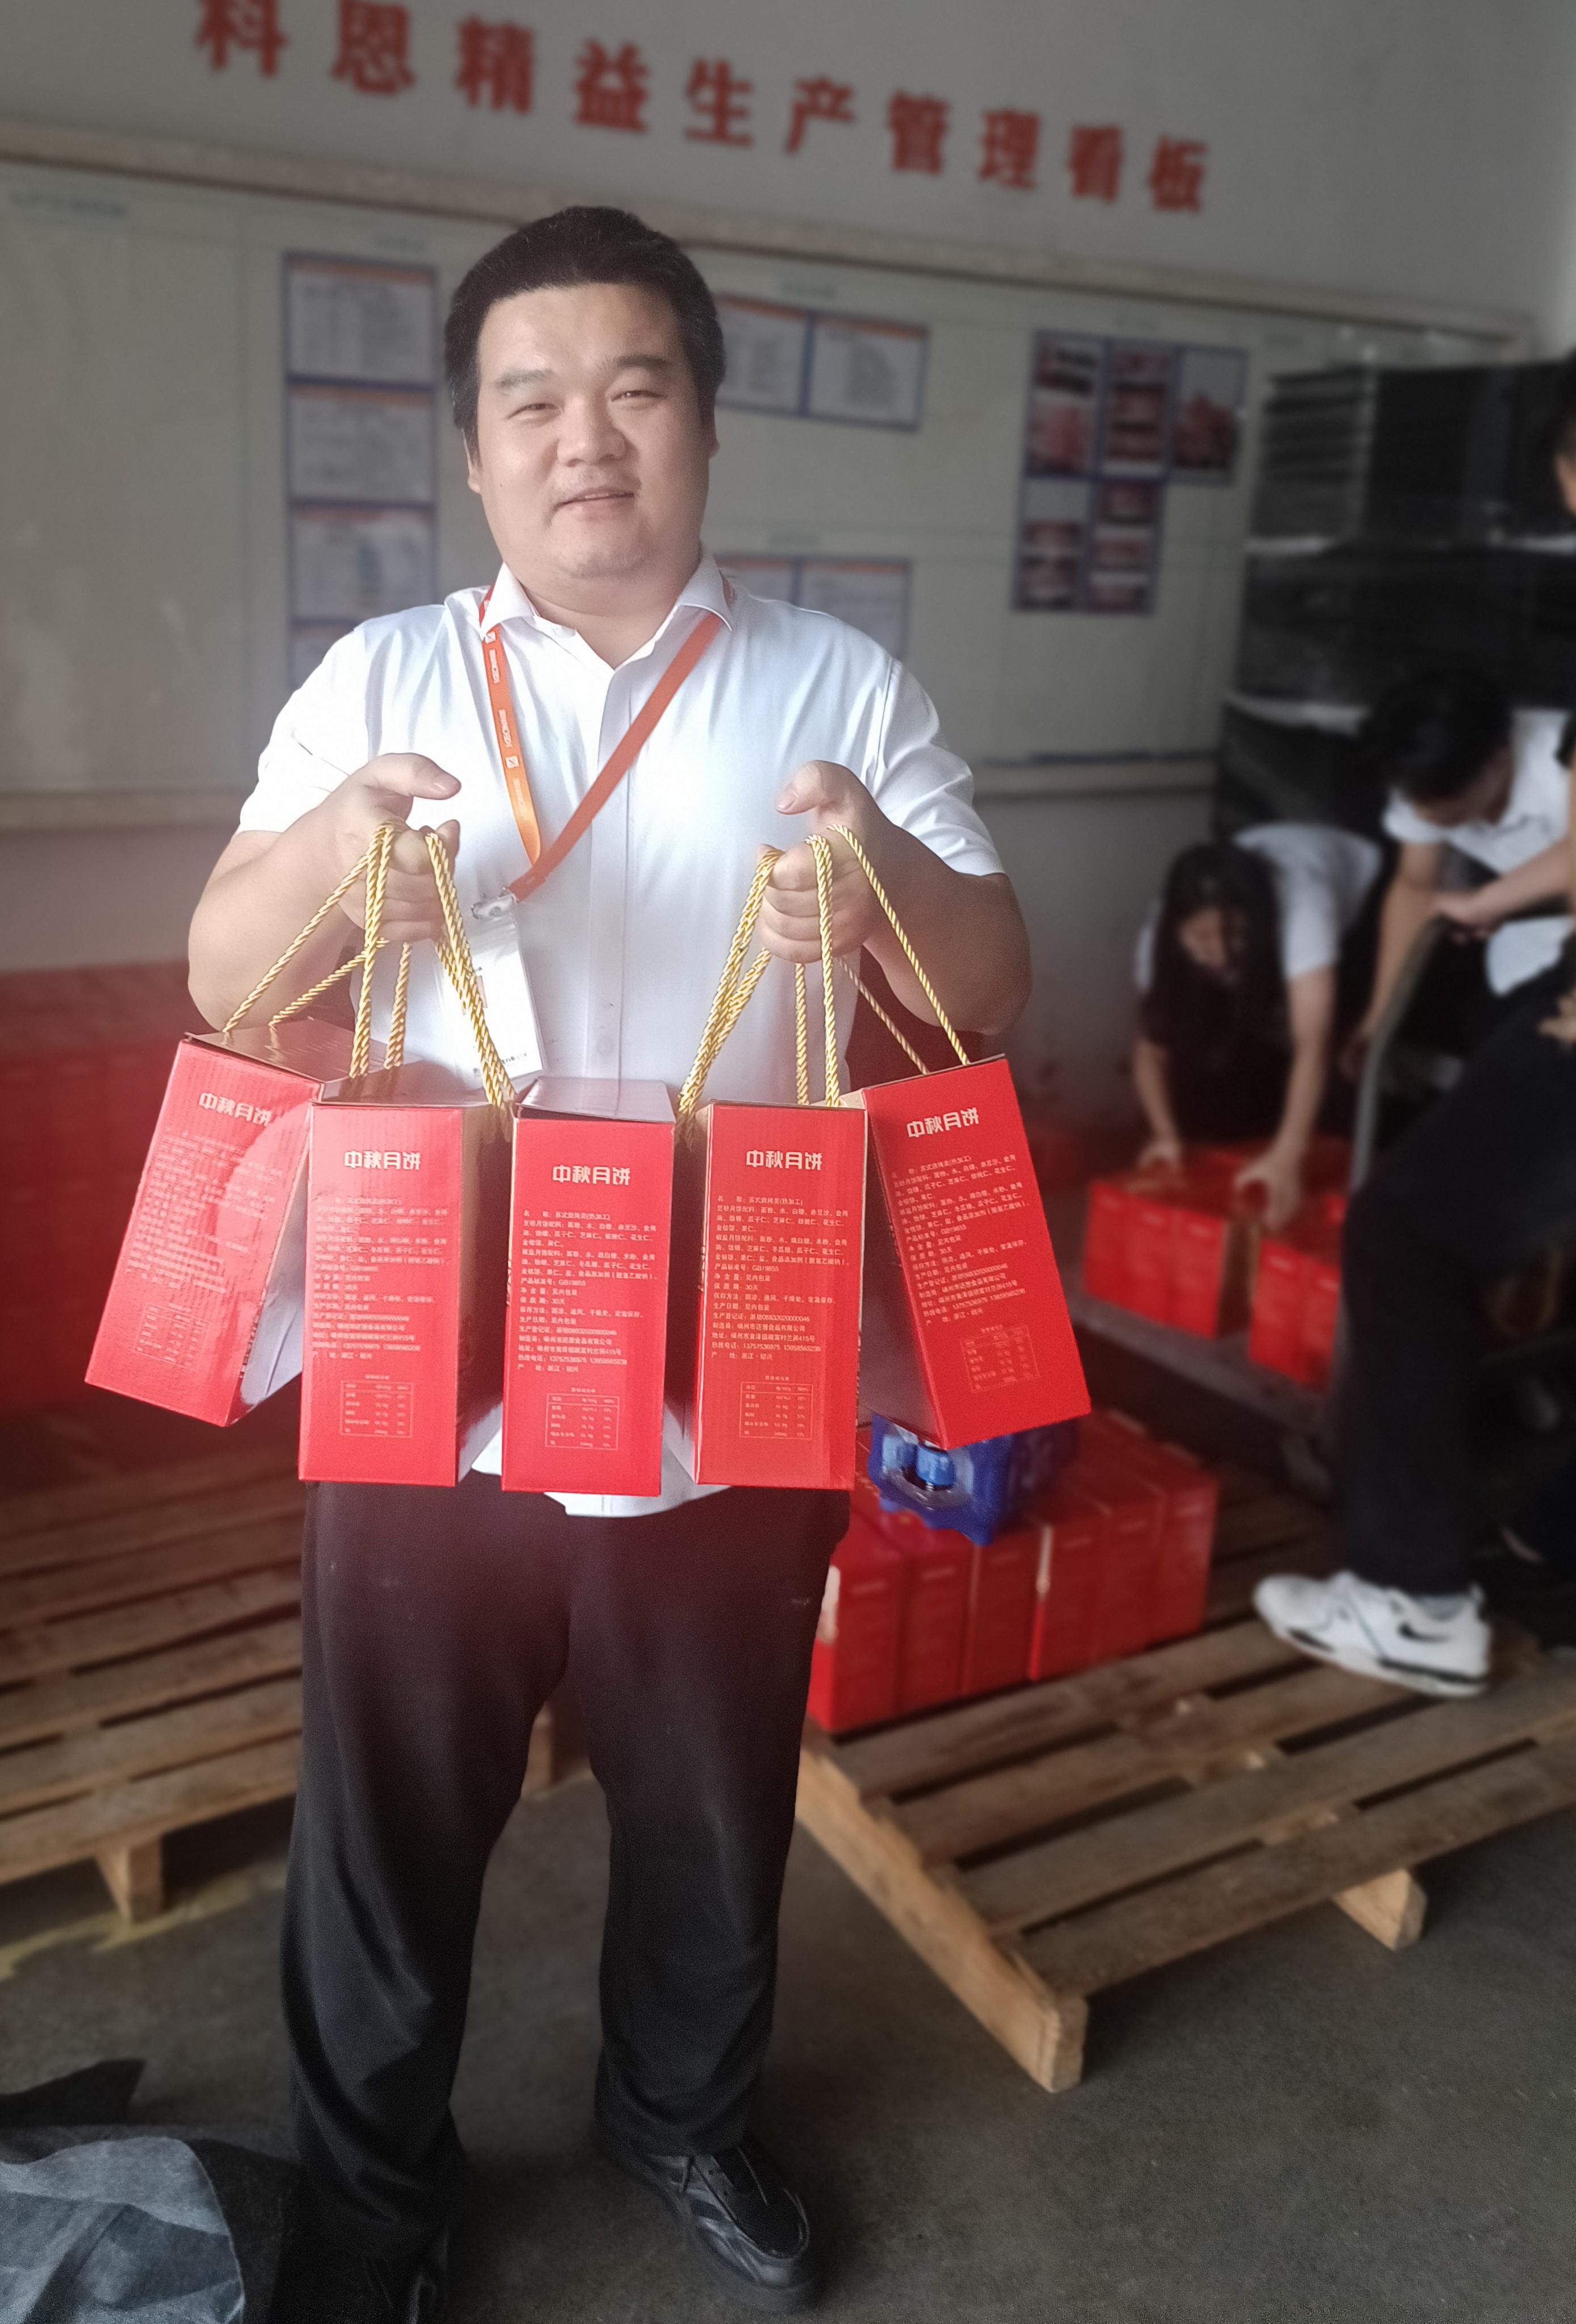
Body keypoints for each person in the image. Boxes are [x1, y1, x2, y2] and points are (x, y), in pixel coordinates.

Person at [188, 206, 1029, 2322]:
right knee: (386, 1820)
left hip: (735, 1351)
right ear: (473, 452)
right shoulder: (381, 679)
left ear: (704, 425)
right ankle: (371, 2195)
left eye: (634, 387)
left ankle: (680, 2116)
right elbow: (217, 969)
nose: (586, 437)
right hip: (433, 1350)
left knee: (713, 1801)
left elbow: (991, 983)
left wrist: (879, 882)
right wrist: (339, 853)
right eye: (532, 399)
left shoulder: (836, 688)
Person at [1257, 332, 1576, 1697]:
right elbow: (1440, 880)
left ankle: (1411, 1596)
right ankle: (1551, 1528)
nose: (1574, 496)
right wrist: (1480, 913)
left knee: (1404, 1229)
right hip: (1537, 953)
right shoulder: (1434, 801)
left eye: (1572, 464)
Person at [1131, 822, 1379, 1227]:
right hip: (1272, 899)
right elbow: (1151, 1049)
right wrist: (1164, 1134)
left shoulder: (1304, 908)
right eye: (1202, 938)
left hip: (1364, 888)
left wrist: (1288, 1155)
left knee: (1342, 1051)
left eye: (1236, 935)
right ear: (1176, 929)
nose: (1220, 953)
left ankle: (1331, 1149)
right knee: (1200, 1028)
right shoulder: (1161, 930)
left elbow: (1312, 1042)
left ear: (1258, 923)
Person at [1345, 667, 1573, 1074]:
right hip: (1530, 953)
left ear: (1499, 761)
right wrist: (1378, 1023)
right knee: (1491, 1053)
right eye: (1414, 801)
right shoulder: (1424, 783)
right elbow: (1415, 887)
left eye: (1441, 804)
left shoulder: (1566, 761)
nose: (1422, 816)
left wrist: (1484, 903)